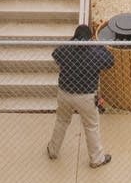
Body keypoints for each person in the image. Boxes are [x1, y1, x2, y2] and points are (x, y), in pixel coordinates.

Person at [45, 25, 115, 167]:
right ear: (90, 38)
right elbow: (110, 61)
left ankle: (53, 150)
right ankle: (96, 159)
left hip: (65, 93)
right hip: (86, 96)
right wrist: (97, 45)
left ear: (75, 37)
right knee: (91, 126)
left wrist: (72, 42)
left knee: (62, 121)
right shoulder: (95, 52)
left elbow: (55, 54)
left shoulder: (67, 49)